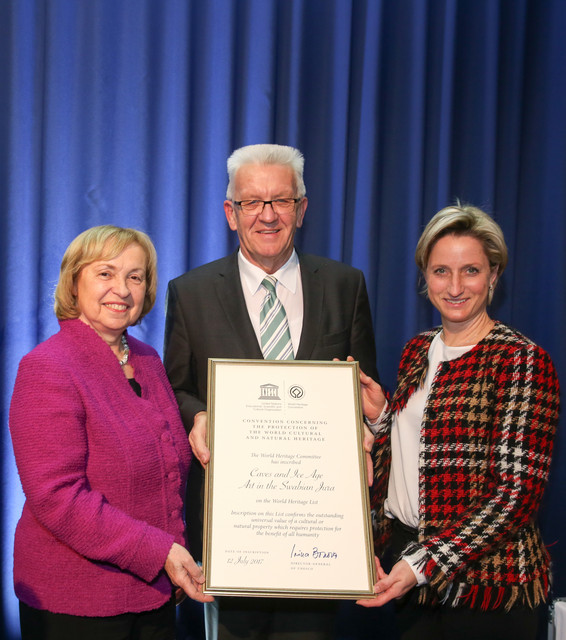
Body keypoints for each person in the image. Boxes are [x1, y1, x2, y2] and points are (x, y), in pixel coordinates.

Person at [164, 143, 379, 640]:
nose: (266, 215)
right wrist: (198, 416)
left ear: (301, 210)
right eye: (251, 202)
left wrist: (366, 426)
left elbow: (365, 389)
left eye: (280, 200)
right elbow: (175, 390)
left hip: (318, 532)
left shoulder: (346, 286)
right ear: (230, 213)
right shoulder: (190, 292)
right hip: (232, 528)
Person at [356, 204, 560, 640]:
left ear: (493, 275)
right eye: (440, 271)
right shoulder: (417, 349)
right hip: (410, 574)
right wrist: (379, 419)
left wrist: (423, 564)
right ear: (424, 277)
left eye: (470, 271)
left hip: (488, 589)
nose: (454, 287)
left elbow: (515, 497)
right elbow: (419, 450)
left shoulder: (521, 360)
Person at [9, 225, 213, 640]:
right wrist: (160, 551)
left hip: (154, 595)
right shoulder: (47, 367)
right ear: (73, 282)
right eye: (106, 273)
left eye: (135, 277)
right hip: (77, 606)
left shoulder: (148, 359)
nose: (121, 288)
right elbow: (58, 497)